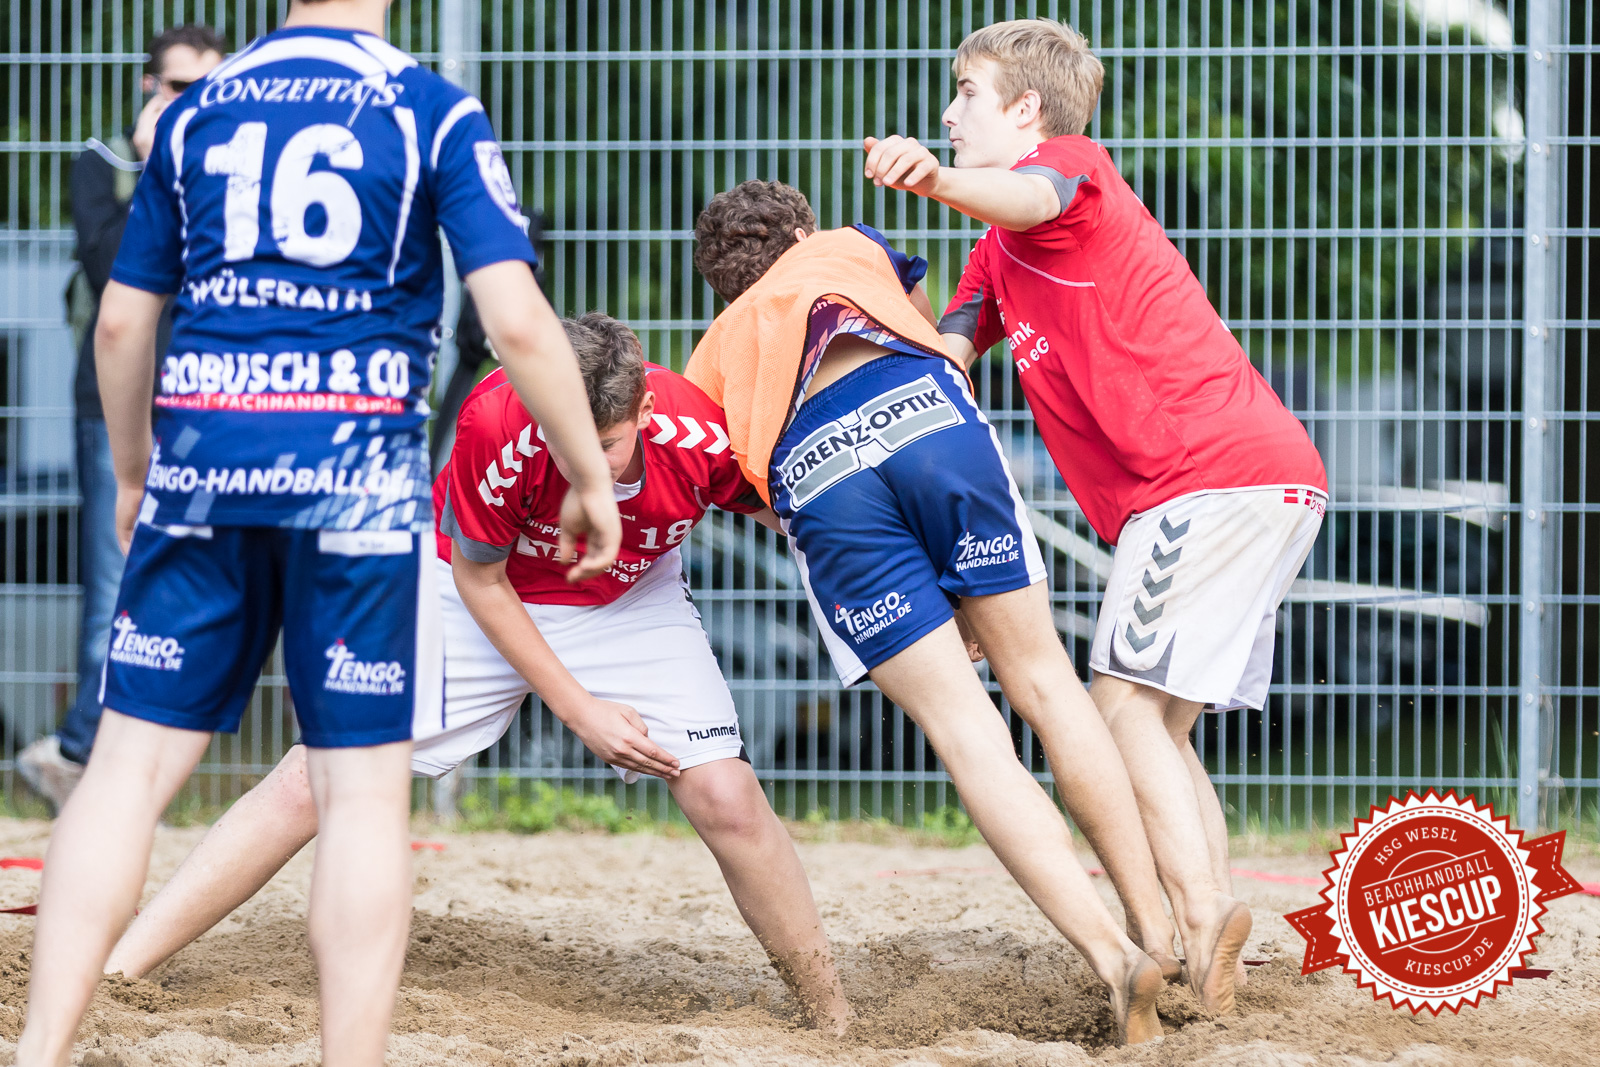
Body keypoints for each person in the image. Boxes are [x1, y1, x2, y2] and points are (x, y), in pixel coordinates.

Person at [14, 1, 621, 1064]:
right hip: (355, 487)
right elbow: (517, 321)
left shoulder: (195, 113)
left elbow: (119, 320)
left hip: (204, 466)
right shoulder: (429, 108)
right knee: (362, 796)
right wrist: (587, 471)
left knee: (124, 772)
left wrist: (132, 469)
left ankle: (38, 1047)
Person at [99, 313, 854, 1035]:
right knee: (316, 775)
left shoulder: (699, 431)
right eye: (565, 442)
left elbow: (808, 517)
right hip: (475, 590)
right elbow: (480, 581)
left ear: (645, 412)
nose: (582, 466)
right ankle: (117, 973)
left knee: (727, 796)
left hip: (627, 595)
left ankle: (832, 1015)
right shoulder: (496, 415)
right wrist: (581, 709)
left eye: (606, 445)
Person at [860, 18, 1329, 1014]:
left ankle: (1199, 924)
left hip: (1205, 478)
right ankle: (1213, 939)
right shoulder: (996, 254)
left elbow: (1031, 193)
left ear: (1026, 108)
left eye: (966, 92)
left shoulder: (1072, 168)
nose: (949, 113)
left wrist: (930, 179)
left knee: (1117, 709)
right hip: (1254, 478)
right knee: (1161, 723)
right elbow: (948, 357)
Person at [685, 180, 1166, 1045]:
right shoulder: (847, 243)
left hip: (816, 474)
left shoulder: (711, 358)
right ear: (800, 229)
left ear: (722, 285)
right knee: (1047, 683)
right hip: (923, 416)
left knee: (965, 732)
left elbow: (757, 500)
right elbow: (934, 334)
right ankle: (1156, 928)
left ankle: (1111, 955)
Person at [17, 25, 226, 814]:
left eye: (208, 89)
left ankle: (102, 757)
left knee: (202, 578)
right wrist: (158, 163)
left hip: (209, 401)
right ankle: (87, 756)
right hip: (116, 405)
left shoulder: (231, 166)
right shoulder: (104, 162)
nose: (193, 103)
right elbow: (113, 271)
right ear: (148, 87)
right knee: (116, 580)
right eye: (179, 88)